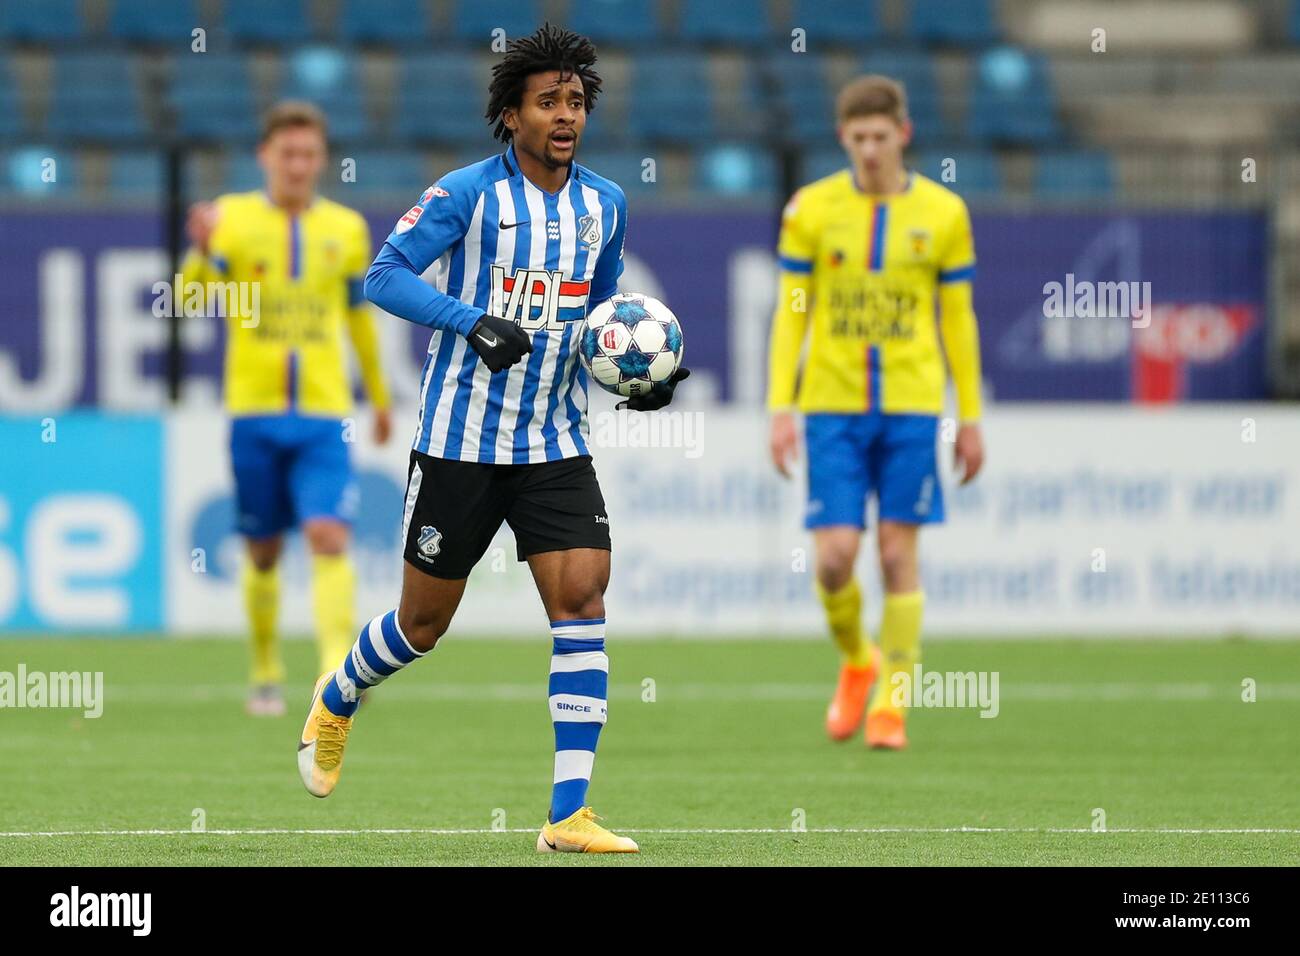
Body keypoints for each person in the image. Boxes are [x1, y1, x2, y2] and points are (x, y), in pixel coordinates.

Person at [295, 24, 687, 854]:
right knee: (422, 626)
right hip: (459, 442)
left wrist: (634, 381)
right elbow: (385, 274)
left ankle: (567, 814)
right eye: (547, 102)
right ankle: (339, 694)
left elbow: (602, 314)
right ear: (511, 116)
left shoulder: (605, 205)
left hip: (554, 442)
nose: (565, 115)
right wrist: (471, 321)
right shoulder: (467, 194)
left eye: (576, 102)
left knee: (582, 602)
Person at [767, 75, 985, 750]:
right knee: (834, 559)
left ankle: (893, 701)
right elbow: (790, 314)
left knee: (897, 553)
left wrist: (970, 415)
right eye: (857, 138)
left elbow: (958, 320)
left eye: (879, 138)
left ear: (903, 134)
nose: (868, 150)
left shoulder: (945, 214)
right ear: (843, 138)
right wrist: (781, 406)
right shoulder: (811, 209)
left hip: (912, 406)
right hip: (831, 405)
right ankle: (858, 661)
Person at [181, 101, 392, 717]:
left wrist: (378, 397)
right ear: (265, 157)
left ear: (321, 159)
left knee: (329, 534)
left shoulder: (346, 229)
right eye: (287, 154)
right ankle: (266, 668)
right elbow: (194, 301)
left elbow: (359, 319)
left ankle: (335, 673)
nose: (298, 165)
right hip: (253, 410)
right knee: (263, 550)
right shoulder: (232, 220)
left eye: (308, 155)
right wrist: (199, 250)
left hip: (326, 413)